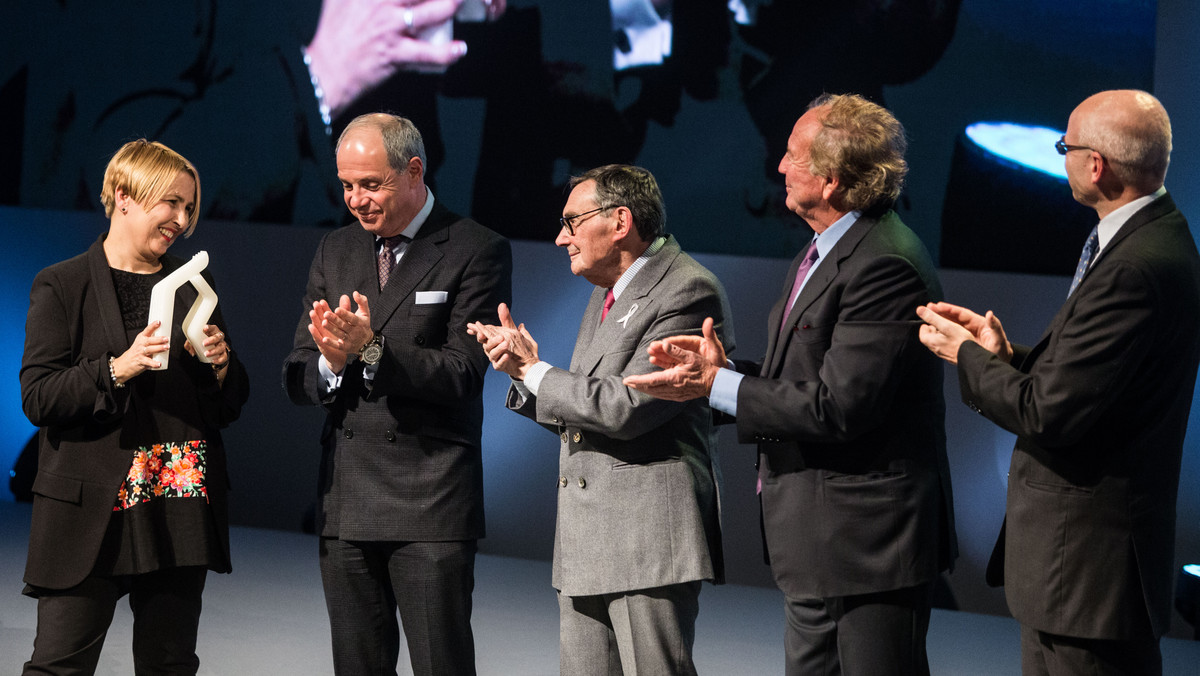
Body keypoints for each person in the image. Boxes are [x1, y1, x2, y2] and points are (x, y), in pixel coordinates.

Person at [624, 94, 956, 676]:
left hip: (868, 548)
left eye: (792, 155)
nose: (778, 166)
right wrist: (722, 376)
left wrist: (718, 387)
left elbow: (839, 407)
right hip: (820, 543)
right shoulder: (827, 249)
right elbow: (806, 380)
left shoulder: (883, 264)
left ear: (829, 180)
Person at [916, 89, 1200, 675]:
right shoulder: (1147, 238)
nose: (1062, 157)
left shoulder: (1135, 265)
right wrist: (1004, 354)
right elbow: (1090, 385)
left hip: (1089, 576)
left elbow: (1048, 413)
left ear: (1095, 164)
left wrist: (968, 357)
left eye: (1064, 147)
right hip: (1080, 576)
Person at [467, 164, 732, 675]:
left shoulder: (687, 289)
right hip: (587, 540)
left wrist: (537, 371)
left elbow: (624, 409)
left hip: (646, 542)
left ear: (620, 221)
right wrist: (524, 379)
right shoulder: (604, 292)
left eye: (572, 221)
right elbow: (588, 410)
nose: (560, 236)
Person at [282, 112, 512, 676]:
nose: (355, 200)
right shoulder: (336, 251)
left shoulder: (476, 249)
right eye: (346, 186)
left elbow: (461, 373)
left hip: (431, 502)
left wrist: (370, 350)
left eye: (370, 184)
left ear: (414, 172)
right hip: (346, 498)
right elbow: (298, 372)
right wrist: (332, 366)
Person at [19, 139, 249, 674]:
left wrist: (219, 365)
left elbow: (229, 404)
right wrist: (117, 367)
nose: (181, 219)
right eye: (170, 202)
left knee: (169, 666)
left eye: (189, 207)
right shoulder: (62, 284)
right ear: (123, 195)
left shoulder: (195, 283)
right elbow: (39, 397)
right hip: (91, 510)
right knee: (59, 666)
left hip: (180, 502)